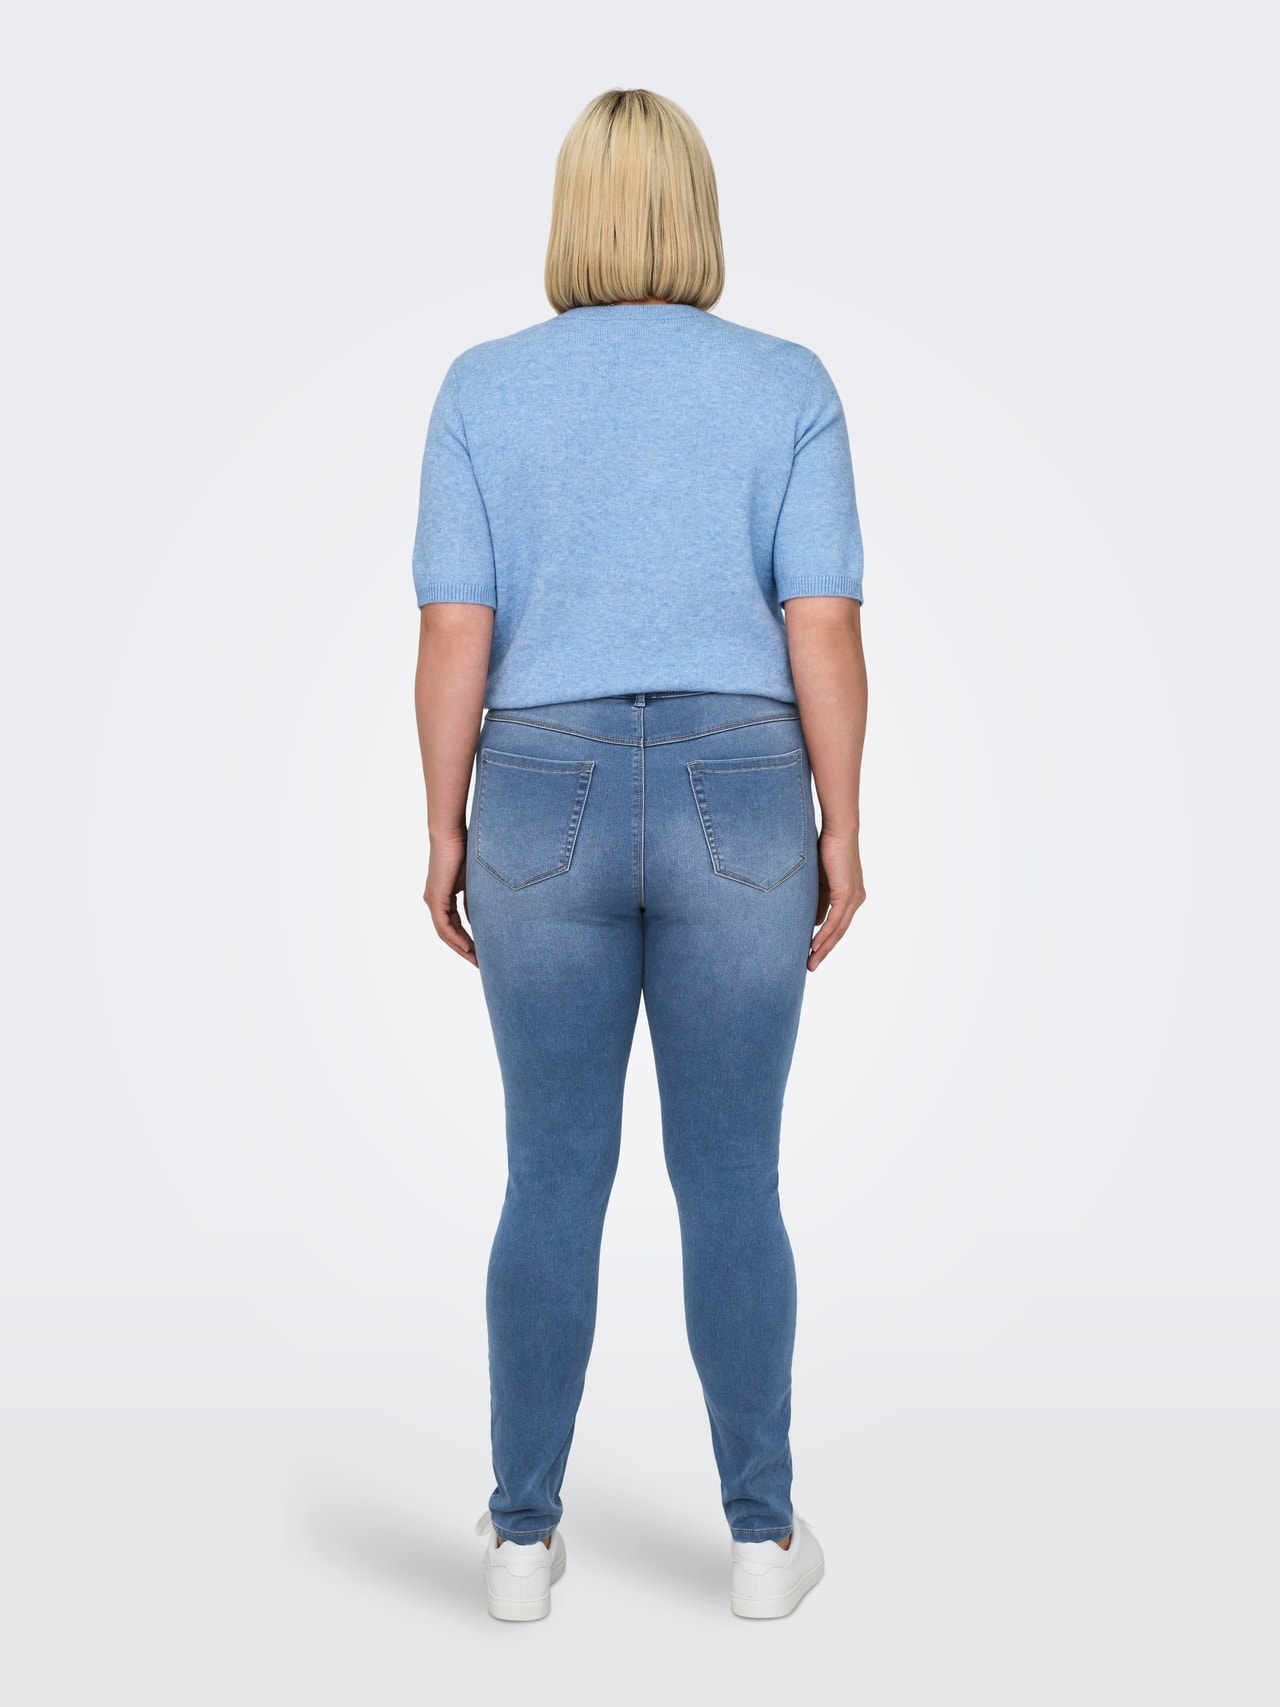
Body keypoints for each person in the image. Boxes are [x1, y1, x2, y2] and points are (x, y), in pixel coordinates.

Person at [412, 88, 867, 1622]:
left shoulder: (483, 388)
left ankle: (520, 1543)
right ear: (696, 208)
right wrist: (845, 822)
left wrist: (443, 823)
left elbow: (456, 631)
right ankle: (762, 1543)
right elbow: (821, 624)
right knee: (733, 1178)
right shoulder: (786, 383)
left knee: (551, 1175)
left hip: (538, 789)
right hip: (747, 785)